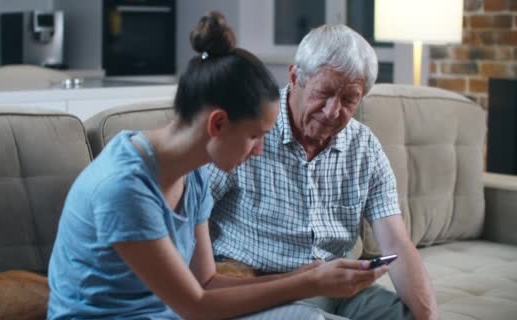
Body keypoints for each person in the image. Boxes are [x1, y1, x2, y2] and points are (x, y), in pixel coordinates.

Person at [46, 13, 388, 320]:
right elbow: (195, 306)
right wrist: (307, 282)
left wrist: (305, 277)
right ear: (218, 124)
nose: (258, 151)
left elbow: (207, 282)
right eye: (255, 136)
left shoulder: (191, 176)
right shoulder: (123, 187)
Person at [208, 24, 439, 320]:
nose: (332, 111)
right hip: (257, 285)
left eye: (348, 100)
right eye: (324, 93)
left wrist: (428, 316)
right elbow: (190, 216)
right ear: (294, 77)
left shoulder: (364, 147)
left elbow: (396, 242)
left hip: (337, 287)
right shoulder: (248, 130)